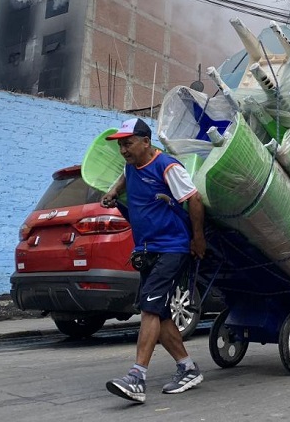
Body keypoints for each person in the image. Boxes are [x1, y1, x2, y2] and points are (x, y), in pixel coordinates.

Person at [100, 118, 207, 404]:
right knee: (159, 314)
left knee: (150, 307)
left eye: (128, 143)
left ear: (146, 142)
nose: (123, 150)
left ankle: (137, 377)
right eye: (121, 145)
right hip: (147, 250)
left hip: (172, 248)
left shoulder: (167, 166)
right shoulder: (131, 166)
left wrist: (198, 240)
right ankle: (187, 367)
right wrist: (113, 191)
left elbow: (194, 200)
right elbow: (126, 175)